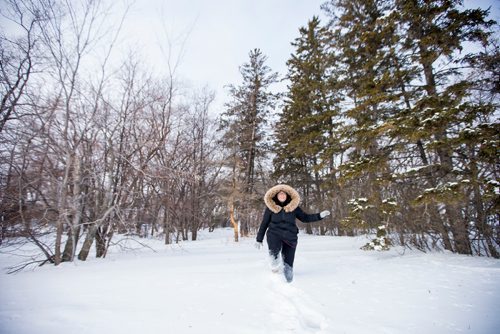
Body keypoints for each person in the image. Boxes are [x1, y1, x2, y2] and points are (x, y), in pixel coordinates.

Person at [255, 184, 330, 282]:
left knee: (289, 262)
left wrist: (319, 216)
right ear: (276, 196)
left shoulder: (294, 208)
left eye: (284, 194)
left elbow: (305, 218)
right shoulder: (270, 208)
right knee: (274, 255)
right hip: (274, 234)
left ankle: (288, 272)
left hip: (290, 236)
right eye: (280, 194)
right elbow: (264, 223)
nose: (282, 196)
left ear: (287, 196)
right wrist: (259, 239)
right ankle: (274, 268)